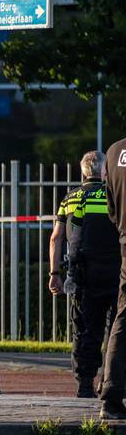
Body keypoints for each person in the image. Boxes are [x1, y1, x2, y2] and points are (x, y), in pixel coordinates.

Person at [50, 151, 120, 398]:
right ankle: (112, 382)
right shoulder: (115, 194)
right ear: (104, 172)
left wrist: (55, 272)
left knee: (85, 328)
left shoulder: (70, 198)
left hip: (84, 273)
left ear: (83, 172)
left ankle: (85, 384)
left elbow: (56, 238)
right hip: (117, 271)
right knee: (117, 329)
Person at [99, 139, 126, 420]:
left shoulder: (115, 151)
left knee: (122, 321)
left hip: (125, 243)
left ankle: (111, 396)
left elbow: (111, 208)